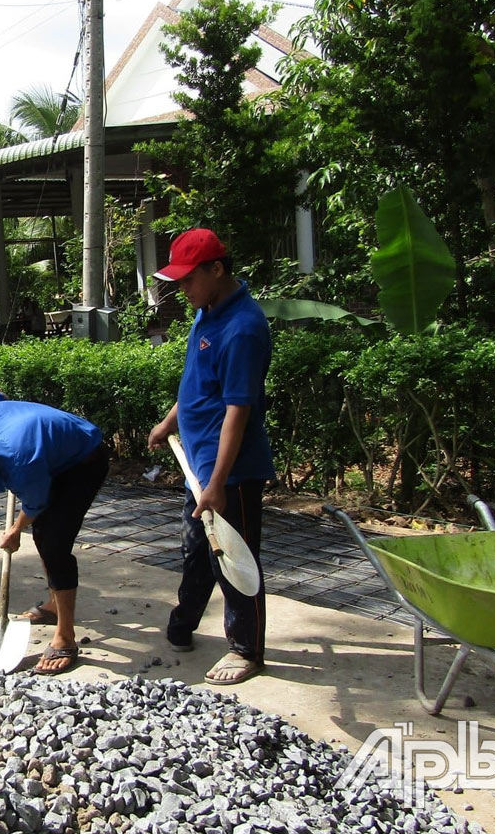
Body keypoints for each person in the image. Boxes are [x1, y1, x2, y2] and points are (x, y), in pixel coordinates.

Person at [145, 228, 274, 686]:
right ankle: (184, 622)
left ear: (216, 269)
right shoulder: (208, 311)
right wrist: (168, 423)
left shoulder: (243, 328)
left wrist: (219, 482)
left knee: (235, 558)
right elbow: (198, 387)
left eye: (187, 280)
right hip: (198, 465)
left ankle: (246, 649)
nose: (182, 290)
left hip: (230, 473)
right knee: (197, 549)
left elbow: (237, 411)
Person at [0, 390, 108, 676]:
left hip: (83, 460)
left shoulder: (20, 461)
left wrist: (14, 530)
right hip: (46, 452)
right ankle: (53, 604)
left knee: (53, 541)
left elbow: (35, 504)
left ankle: (66, 638)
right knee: (43, 535)